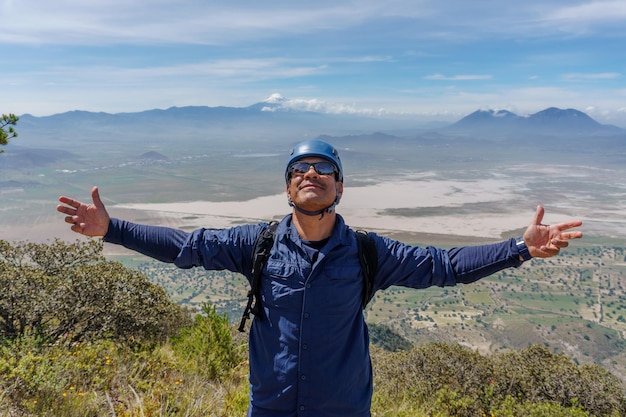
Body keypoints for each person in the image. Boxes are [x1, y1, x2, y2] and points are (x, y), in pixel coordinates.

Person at [57, 139, 583, 417]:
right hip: (270, 406)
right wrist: (112, 229)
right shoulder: (256, 244)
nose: (311, 174)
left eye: (323, 168)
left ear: (339, 187)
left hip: (343, 410)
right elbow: (187, 248)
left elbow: (442, 267)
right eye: (299, 169)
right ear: (288, 186)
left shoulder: (366, 251)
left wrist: (519, 250)